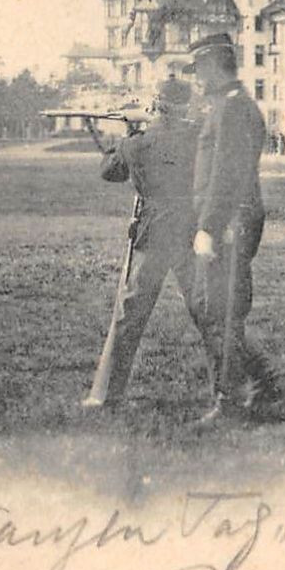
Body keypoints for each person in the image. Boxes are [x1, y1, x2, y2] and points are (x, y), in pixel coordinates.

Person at [82, 78, 213, 410]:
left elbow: (109, 172)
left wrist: (125, 136)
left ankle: (106, 394)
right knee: (207, 311)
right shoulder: (198, 138)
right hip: (189, 231)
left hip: (152, 234)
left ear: (156, 106)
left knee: (130, 314)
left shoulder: (139, 143)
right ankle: (234, 389)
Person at [186, 33, 282, 424]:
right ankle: (264, 383)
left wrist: (210, 226)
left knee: (220, 312)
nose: (196, 79)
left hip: (231, 221)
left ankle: (229, 403)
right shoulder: (229, 106)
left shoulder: (232, 110)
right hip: (233, 219)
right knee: (216, 308)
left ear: (212, 65)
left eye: (198, 70)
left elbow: (226, 173)